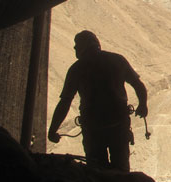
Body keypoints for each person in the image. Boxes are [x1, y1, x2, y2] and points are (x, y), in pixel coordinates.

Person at [48, 30, 148, 172]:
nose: (75, 48)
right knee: (121, 170)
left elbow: (65, 102)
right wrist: (142, 104)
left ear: (84, 46)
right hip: (118, 125)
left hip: (94, 129)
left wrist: (53, 130)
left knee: (97, 172)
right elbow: (138, 85)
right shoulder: (117, 60)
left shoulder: (77, 69)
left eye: (77, 45)